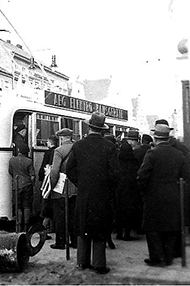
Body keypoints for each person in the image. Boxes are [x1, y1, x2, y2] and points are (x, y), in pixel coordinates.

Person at [66, 112, 119, 274]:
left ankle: (82, 262)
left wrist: (81, 183)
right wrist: (107, 187)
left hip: (84, 193)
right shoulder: (110, 147)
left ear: (89, 127)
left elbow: (70, 169)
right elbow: (115, 173)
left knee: (83, 226)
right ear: (102, 130)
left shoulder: (78, 145)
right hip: (102, 195)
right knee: (100, 228)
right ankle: (99, 264)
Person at [137, 124, 190, 267]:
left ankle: (157, 257)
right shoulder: (178, 154)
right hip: (173, 195)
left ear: (155, 138)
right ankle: (168, 257)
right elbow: (186, 176)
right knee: (170, 226)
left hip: (154, 195)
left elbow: (142, 176)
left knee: (152, 228)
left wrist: (144, 192)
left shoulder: (152, 153)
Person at [49, 128, 77, 250]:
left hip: (61, 188)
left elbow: (55, 171)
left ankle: (60, 242)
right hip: (75, 187)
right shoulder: (77, 148)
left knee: (60, 216)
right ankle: (75, 241)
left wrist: (51, 186)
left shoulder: (58, 151)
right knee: (73, 215)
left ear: (61, 138)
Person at [115, 139, 141, 241]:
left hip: (119, 188)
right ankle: (127, 233)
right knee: (129, 212)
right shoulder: (134, 160)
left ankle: (119, 232)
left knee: (119, 211)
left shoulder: (117, 159)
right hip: (131, 189)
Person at [8, 143, 35, 232]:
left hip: (16, 185)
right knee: (26, 206)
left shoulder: (12, 160)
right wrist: (32, 184)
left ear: (18, 150)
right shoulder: (29, 161)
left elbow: (10, 172)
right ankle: (26, 227)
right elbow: (32, 176)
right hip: (27, 185)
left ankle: (18, 226)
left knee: (18, 206)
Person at [38, 135, 58, 238]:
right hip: (56, 183)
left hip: (48, 182)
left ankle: (43, 230)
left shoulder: (48, 153)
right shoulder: (57, 151)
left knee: (47, 207)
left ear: (50, 143)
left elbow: (43, 167)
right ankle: (51, 228)